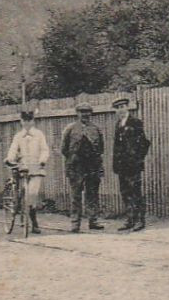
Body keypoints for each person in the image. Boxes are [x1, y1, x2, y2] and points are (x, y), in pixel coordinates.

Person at [61, 102, 105, 233]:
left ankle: (93, 220)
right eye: (82, 112)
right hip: (76, 166)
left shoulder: (96, 129)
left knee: (92, 193)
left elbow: (101, 148)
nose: (85, 114)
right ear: (77, 114)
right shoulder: (70, 128)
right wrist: (73, 159)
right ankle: (75, 223)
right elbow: (64, 149)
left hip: (92, 165)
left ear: (90, 114)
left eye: (87, 112)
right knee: (76, 195)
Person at [4, 107, 49, 235]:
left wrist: (42, 160)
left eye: (29, 121)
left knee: (32, 194)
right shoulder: (18, 136)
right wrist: (10, 159)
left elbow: (45, 150)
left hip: (36, 168)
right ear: (21, 121)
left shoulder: (39, 135)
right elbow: (13, 150)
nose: (27, 124)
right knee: (19, 193)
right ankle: (17, 209)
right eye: (25, 121)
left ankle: (34, 223)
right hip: (22, 168)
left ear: (33, 121)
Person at [111, 96, 150, 232]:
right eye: (117, 108)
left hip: (133, 166)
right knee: (125, 193)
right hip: (122, 166)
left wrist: (138, 159)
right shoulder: (118, 124)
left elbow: (144, 143)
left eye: (122, 107)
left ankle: (140, 220)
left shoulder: (135, 122)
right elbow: (116, 147)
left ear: (127, 107)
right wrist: (115, 164)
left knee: (135, 192)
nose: (120, 110)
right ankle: (130, 219)